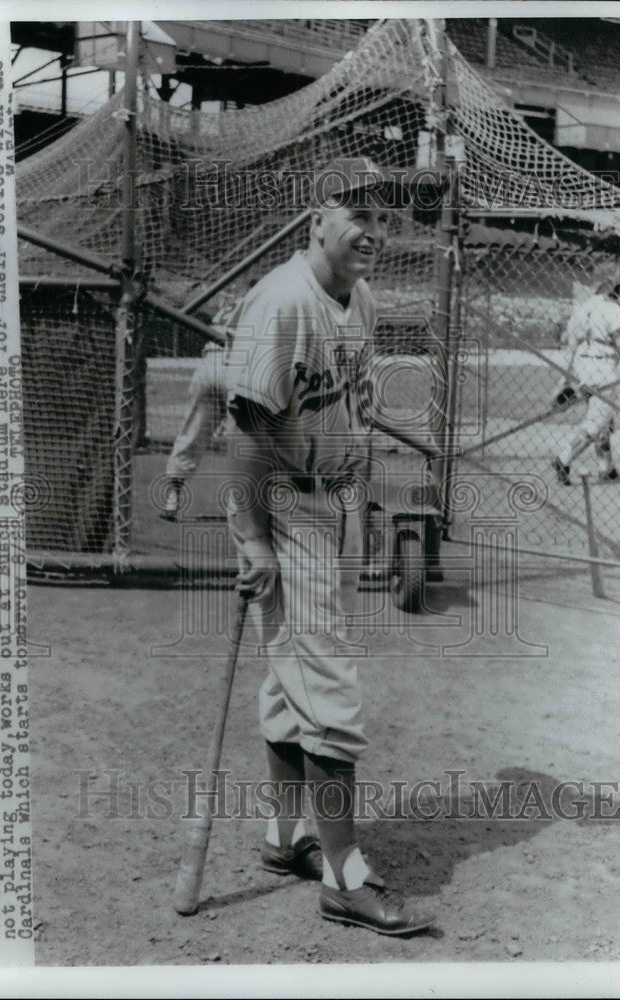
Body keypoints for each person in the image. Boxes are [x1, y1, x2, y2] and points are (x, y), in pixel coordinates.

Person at [222, 157, 437, 936]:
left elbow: (353, 407)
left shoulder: (361, 296)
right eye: (358, 215)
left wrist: (360, 500)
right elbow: (246, 434)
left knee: (293, 681)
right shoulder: (283, 302)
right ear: (317, 219)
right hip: (284, 503)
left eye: (383, 219)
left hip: (333, 499)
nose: (373, 232)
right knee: (329, 688)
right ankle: (344, 877)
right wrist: (253, 539)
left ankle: (286, 838)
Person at [552, 260, 620, 485]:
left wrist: (563, 380)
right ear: (610, 282)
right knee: (597, 421)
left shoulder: (581, 309)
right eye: (619, 281)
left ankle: (606, 467)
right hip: (602, 367)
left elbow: (571, 347)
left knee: (602, 418)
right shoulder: (611, 308)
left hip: (582, 367)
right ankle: (563, 459)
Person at [159, 306, 234, 520]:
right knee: (248, 439)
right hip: (237, 364)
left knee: (191, 433)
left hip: (208, 365)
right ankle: (240, 506)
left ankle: (172, 500)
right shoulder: (261, 300)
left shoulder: (221, 306)